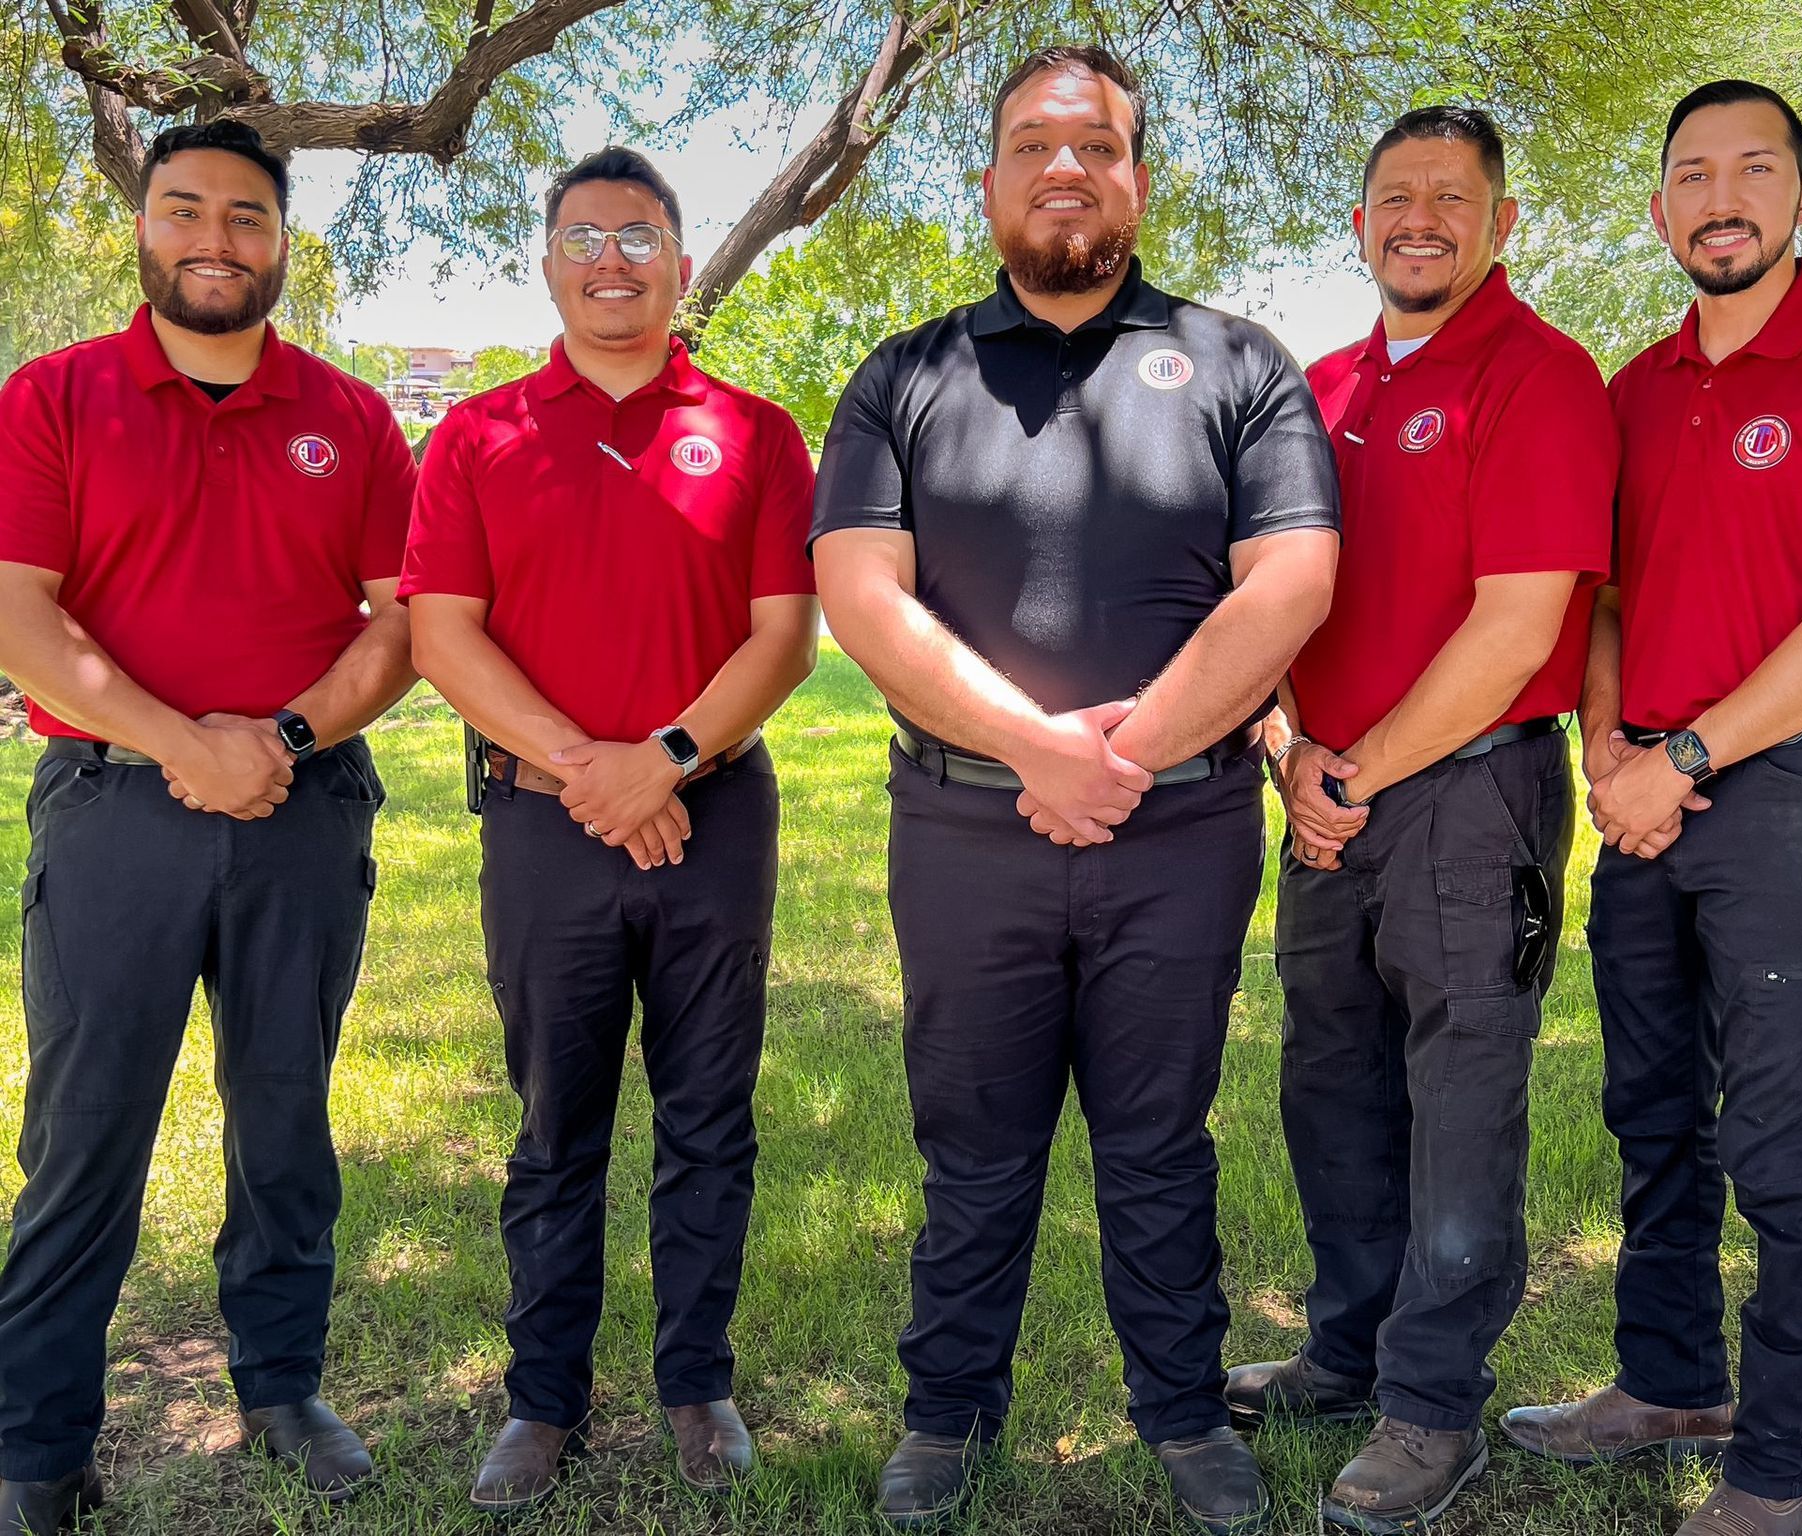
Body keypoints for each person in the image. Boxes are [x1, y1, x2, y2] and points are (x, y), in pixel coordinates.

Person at [812, 47, 1341, 1535]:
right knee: (970, 1137)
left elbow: (1292, 582)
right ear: (987, 182)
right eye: (1032, 145)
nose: (1065, 168)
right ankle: (944, 1408)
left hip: (1177, 834)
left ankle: (1180, 1412)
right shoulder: (905, 374)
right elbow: (861, 595)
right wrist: (1039, 749)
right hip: (965, 829)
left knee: (1159, 1138)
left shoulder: (1241, 366)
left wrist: (1126, 753)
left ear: (1137, 179)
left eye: (1095, 146)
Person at [1500, 81, 1802, 1536]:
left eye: (1755, 170)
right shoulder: (1632, 389)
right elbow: (1603, 599)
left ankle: (1785, 1469)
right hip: (1642, 794)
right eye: (1693, 172)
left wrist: (1679, 769)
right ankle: (1670, 1380)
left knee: (1782, 1135)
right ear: (1662, 207)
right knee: (1653, 1113)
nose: (1721, 195)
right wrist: (1615, 750)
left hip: (1786, 787)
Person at [0, 120, 419, 1533]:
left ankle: (282, 1384)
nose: (215, 239)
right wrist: (186, 744)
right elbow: (19, 614)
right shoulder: (54, 396)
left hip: (306, 814)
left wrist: (283, 740)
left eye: (247, 216)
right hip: (115, 809)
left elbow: (401, 625)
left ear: (283, 239)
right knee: (83, 1131)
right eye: (185, 209)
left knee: (286, 1120)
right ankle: (36, 1447)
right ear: (143, 225)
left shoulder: (354, 417)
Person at [404, 146, 819, 1514]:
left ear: (682, 266)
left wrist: (672, 759)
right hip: (542, 826)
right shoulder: (478, 435)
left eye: (638, 237)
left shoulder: (756, 433)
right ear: (548, 264)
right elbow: (442, 632)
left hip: (716, 817)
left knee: (709, 1116)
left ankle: (698, 1383)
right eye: (584, 237)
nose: (611, 261)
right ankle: (544, 1399)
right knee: (553, 1125)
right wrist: (594, 771)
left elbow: (784, 636)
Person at [1223, 107, 1616, 1533]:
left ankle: (1433, 1405)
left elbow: (1519, 630)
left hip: (1466, 797)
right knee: (1330, 1082)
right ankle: (1346, 1352)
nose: (1422, 219)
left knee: (1458, 1098)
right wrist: (1286, 753)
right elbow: (1264, 602)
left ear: (1502, 221)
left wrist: (1357, 768)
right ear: (1360, 223)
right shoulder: (1317, 388)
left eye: (1454, 197)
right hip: (1325, 793)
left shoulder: (1541, 377)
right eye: (1396, 196)